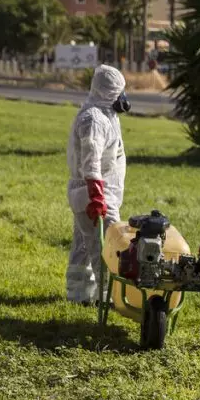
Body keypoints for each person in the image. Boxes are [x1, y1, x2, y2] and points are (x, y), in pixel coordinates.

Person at [65, 65, 130, 305]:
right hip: (94, 196)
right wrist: (97, 198)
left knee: (83, 244)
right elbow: (90, 165)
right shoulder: (94, 120)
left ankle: (78, 293)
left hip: (96, 194)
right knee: (105, 248)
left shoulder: (106, 114)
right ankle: (108, 297)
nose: (124, 97)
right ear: (110, 92)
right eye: (120, 91)